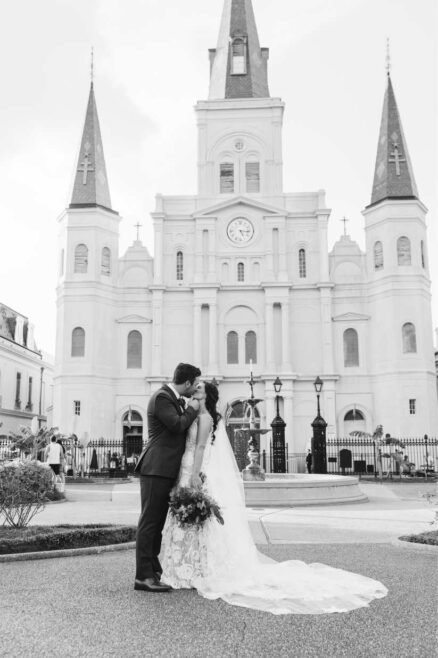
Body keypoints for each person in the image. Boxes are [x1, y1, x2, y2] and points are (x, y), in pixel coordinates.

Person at [160, 381, 388, 615]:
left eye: (198, 389)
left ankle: (197, 568)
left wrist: (196, 474)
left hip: (194, 469)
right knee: (191, 518)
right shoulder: (193, 414)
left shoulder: (205, 418)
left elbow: (199, 448)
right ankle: (186, 566)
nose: (193, 392)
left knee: (197, 519)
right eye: (194, 388)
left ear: (207, 396)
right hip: (185, 468)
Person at [134, 362, 201, 593]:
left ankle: (153, 572)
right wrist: (192, 408)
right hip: (155, 468)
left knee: (157, 524)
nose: (197, 388)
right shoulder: (162, 397)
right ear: (188, 383)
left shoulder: (171, 398)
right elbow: (177, 425)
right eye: (196, 383)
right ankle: (143, 576)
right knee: (149, 523)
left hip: (165, 470)